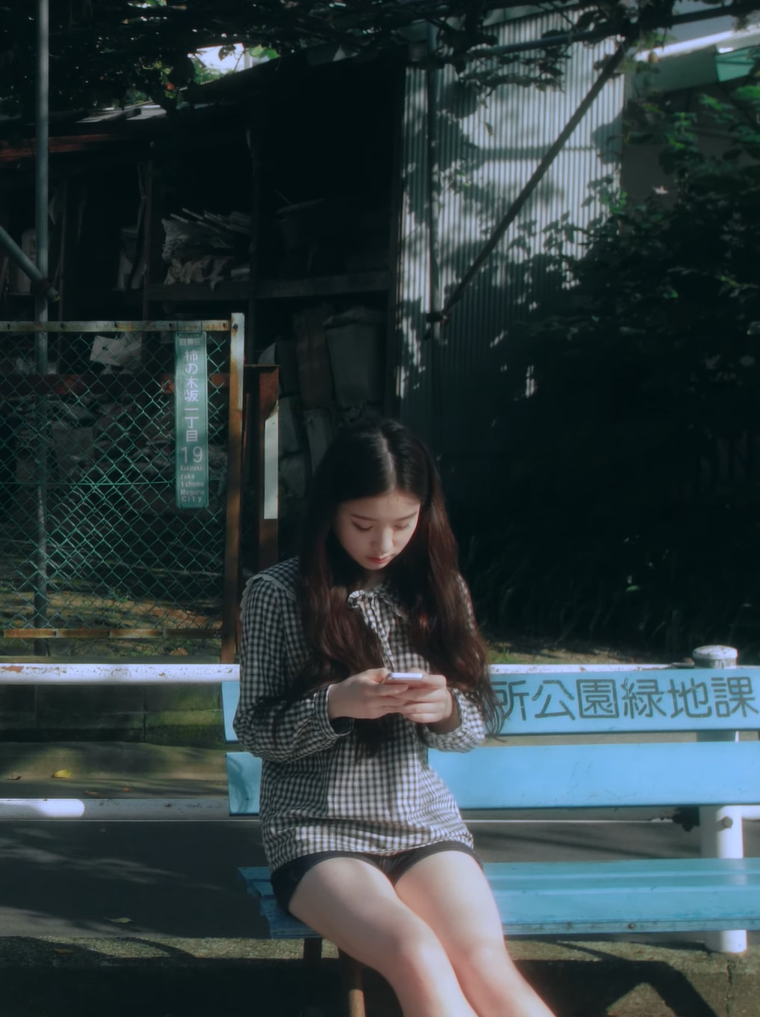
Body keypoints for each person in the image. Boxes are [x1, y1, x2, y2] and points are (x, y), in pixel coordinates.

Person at [234, 418, 551, 1017]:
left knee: (484, 958)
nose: (383, 543)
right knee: (415, 951)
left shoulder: (439, 588)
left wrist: (446, 709)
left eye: (402, 525)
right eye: (362, 525)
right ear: (330, 512)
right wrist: (334, 704)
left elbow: (477, 719)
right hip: (316, 829)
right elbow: (254, 728)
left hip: (422, 822)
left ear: (423, 515)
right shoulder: (278, 593)